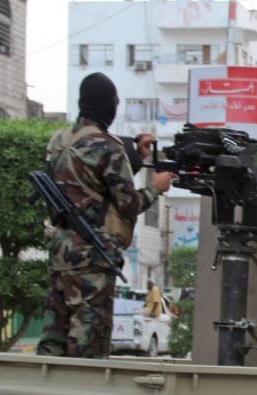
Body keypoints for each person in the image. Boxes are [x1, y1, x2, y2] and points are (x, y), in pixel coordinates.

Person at [37, 73, 174, 358]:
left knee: (55, 336)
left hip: (61, 251)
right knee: (88, 342)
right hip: (91, 257)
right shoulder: (109, 147)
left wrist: (136, 157)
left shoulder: (59, 141)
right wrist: (155, 188)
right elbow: (127, 204)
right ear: (111, 106)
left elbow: (90, 189)